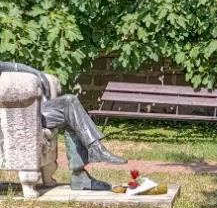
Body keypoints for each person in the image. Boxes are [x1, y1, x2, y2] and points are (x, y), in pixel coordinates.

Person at [0, 61, 126, 191]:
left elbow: (10, 66)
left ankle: (92, 155)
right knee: (70, 113)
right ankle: (84, 169)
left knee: (69, 102)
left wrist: (37, 74)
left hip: (27, 112)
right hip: (16, 118)